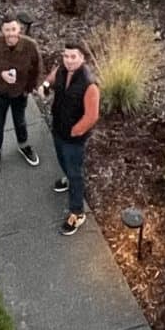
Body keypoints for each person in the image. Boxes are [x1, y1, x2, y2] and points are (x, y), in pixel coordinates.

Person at [41, 42, 99, 234]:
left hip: (73, 138)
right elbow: (52, 77)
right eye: (66, 56)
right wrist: (46, 85)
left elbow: (92, 116)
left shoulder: (89, 85)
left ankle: (77, 213)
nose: (69, 60)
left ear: (82, 58)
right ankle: (68, 179)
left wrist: (75, 131)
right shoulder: (62, 70)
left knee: (75, 173)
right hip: (58, 129)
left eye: (73, 57)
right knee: (62, 160)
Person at [0, 17, 44, 173]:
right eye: (7, 30)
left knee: (20, 121)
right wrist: (0, 74)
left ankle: (23, 145)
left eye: (13, 29)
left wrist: (30, 88)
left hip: (20, 93)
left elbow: (37, 68)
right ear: (2, 30)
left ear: (19, 29)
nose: (11, 33)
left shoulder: (30, 46)